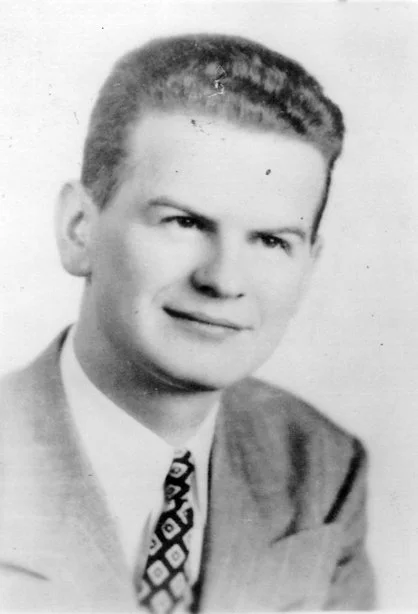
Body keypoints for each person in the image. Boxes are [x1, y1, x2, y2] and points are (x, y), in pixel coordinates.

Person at [0, 33, 375, 612]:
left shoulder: (322, 466)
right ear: (79, 229)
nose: (224, 280)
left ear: (309, 264)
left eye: (271, 240)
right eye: (184, 222)